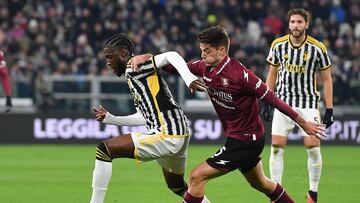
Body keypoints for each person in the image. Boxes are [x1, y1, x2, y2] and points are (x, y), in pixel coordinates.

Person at [131, 26, 326, 203]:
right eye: (202, 49)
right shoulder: (203, 67)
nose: (202, 54)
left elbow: (273, 99)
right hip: (240, 138)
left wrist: (303, 123)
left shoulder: (241, 75)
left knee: (196, 176)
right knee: (262, 184)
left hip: (246, 141)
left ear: (221, 50)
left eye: (207, 50)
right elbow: (174, 67)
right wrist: (148, 57)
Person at [89, 34, 210, 203]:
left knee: (104, 149)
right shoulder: (132, 75)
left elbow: (172, 56)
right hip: (178, 134)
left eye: (110, 57)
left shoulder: (134, 66)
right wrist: (111, 118)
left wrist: (189, 79)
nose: (108, 62)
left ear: (123, 53)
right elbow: (142, 117)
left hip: (168, 134)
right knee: (177, 187)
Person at [263, 8, 333, 203]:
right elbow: (272, 74)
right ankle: (276, 194)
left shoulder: (317, 48)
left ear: (306, 24)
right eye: (293, 22)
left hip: (309, 104)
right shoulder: (278, 45)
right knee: (276, 147)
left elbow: (327, 79)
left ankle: (313, 193)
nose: (295, 25)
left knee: (313, 148)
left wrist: (329, 108)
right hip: (282, 103)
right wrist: (267, 101)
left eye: (299, 22)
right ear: (289, 24)